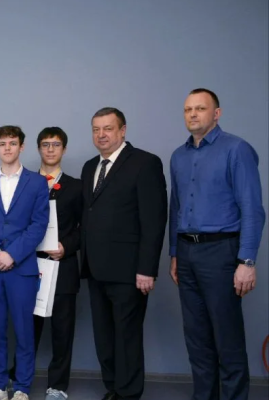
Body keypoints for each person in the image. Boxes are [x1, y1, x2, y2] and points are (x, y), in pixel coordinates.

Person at [168, 88, 265, 400]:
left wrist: (246, 261)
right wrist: (174, 254)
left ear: (217, 113)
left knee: (227, 337)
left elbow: (252, 209)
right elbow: (175, 207)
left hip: (221, 252)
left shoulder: (237, 149)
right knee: (197, 338)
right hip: (186, 252)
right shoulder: (179, 156)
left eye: (200, 108)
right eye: (188, 109)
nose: (193, 114)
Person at [80, 108, 167, 400]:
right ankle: (113, 388)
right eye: (96, 129)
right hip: (95, 268)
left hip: (130, 271)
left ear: (123, 130)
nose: (101, 135)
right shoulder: (89, 167)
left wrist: (147, 269)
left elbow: (154, 221)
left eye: (107, 128)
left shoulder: (145, 163)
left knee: (126, 336)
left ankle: (128, 394)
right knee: (104, 336)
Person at [6, 127, 83, 400]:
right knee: (26, 326)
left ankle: (57, 386)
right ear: (38, 148)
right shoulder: (23, 182)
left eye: (56, 144)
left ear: (64, 149)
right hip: (29, 264)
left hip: (63, 265)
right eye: (45, 144)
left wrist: (67, 246)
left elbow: (85, 227)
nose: (50, 149)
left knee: (62, 329)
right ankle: (19, 378)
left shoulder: (76, 186)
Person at [0, 126, 50, 400]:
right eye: (2, 143)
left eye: (12, 143)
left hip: (22, 268)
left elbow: (38, 225)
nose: (7, 148)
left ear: (22, 146)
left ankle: (21, 388)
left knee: (23, 330)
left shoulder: (37, 182)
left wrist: (12, 254)